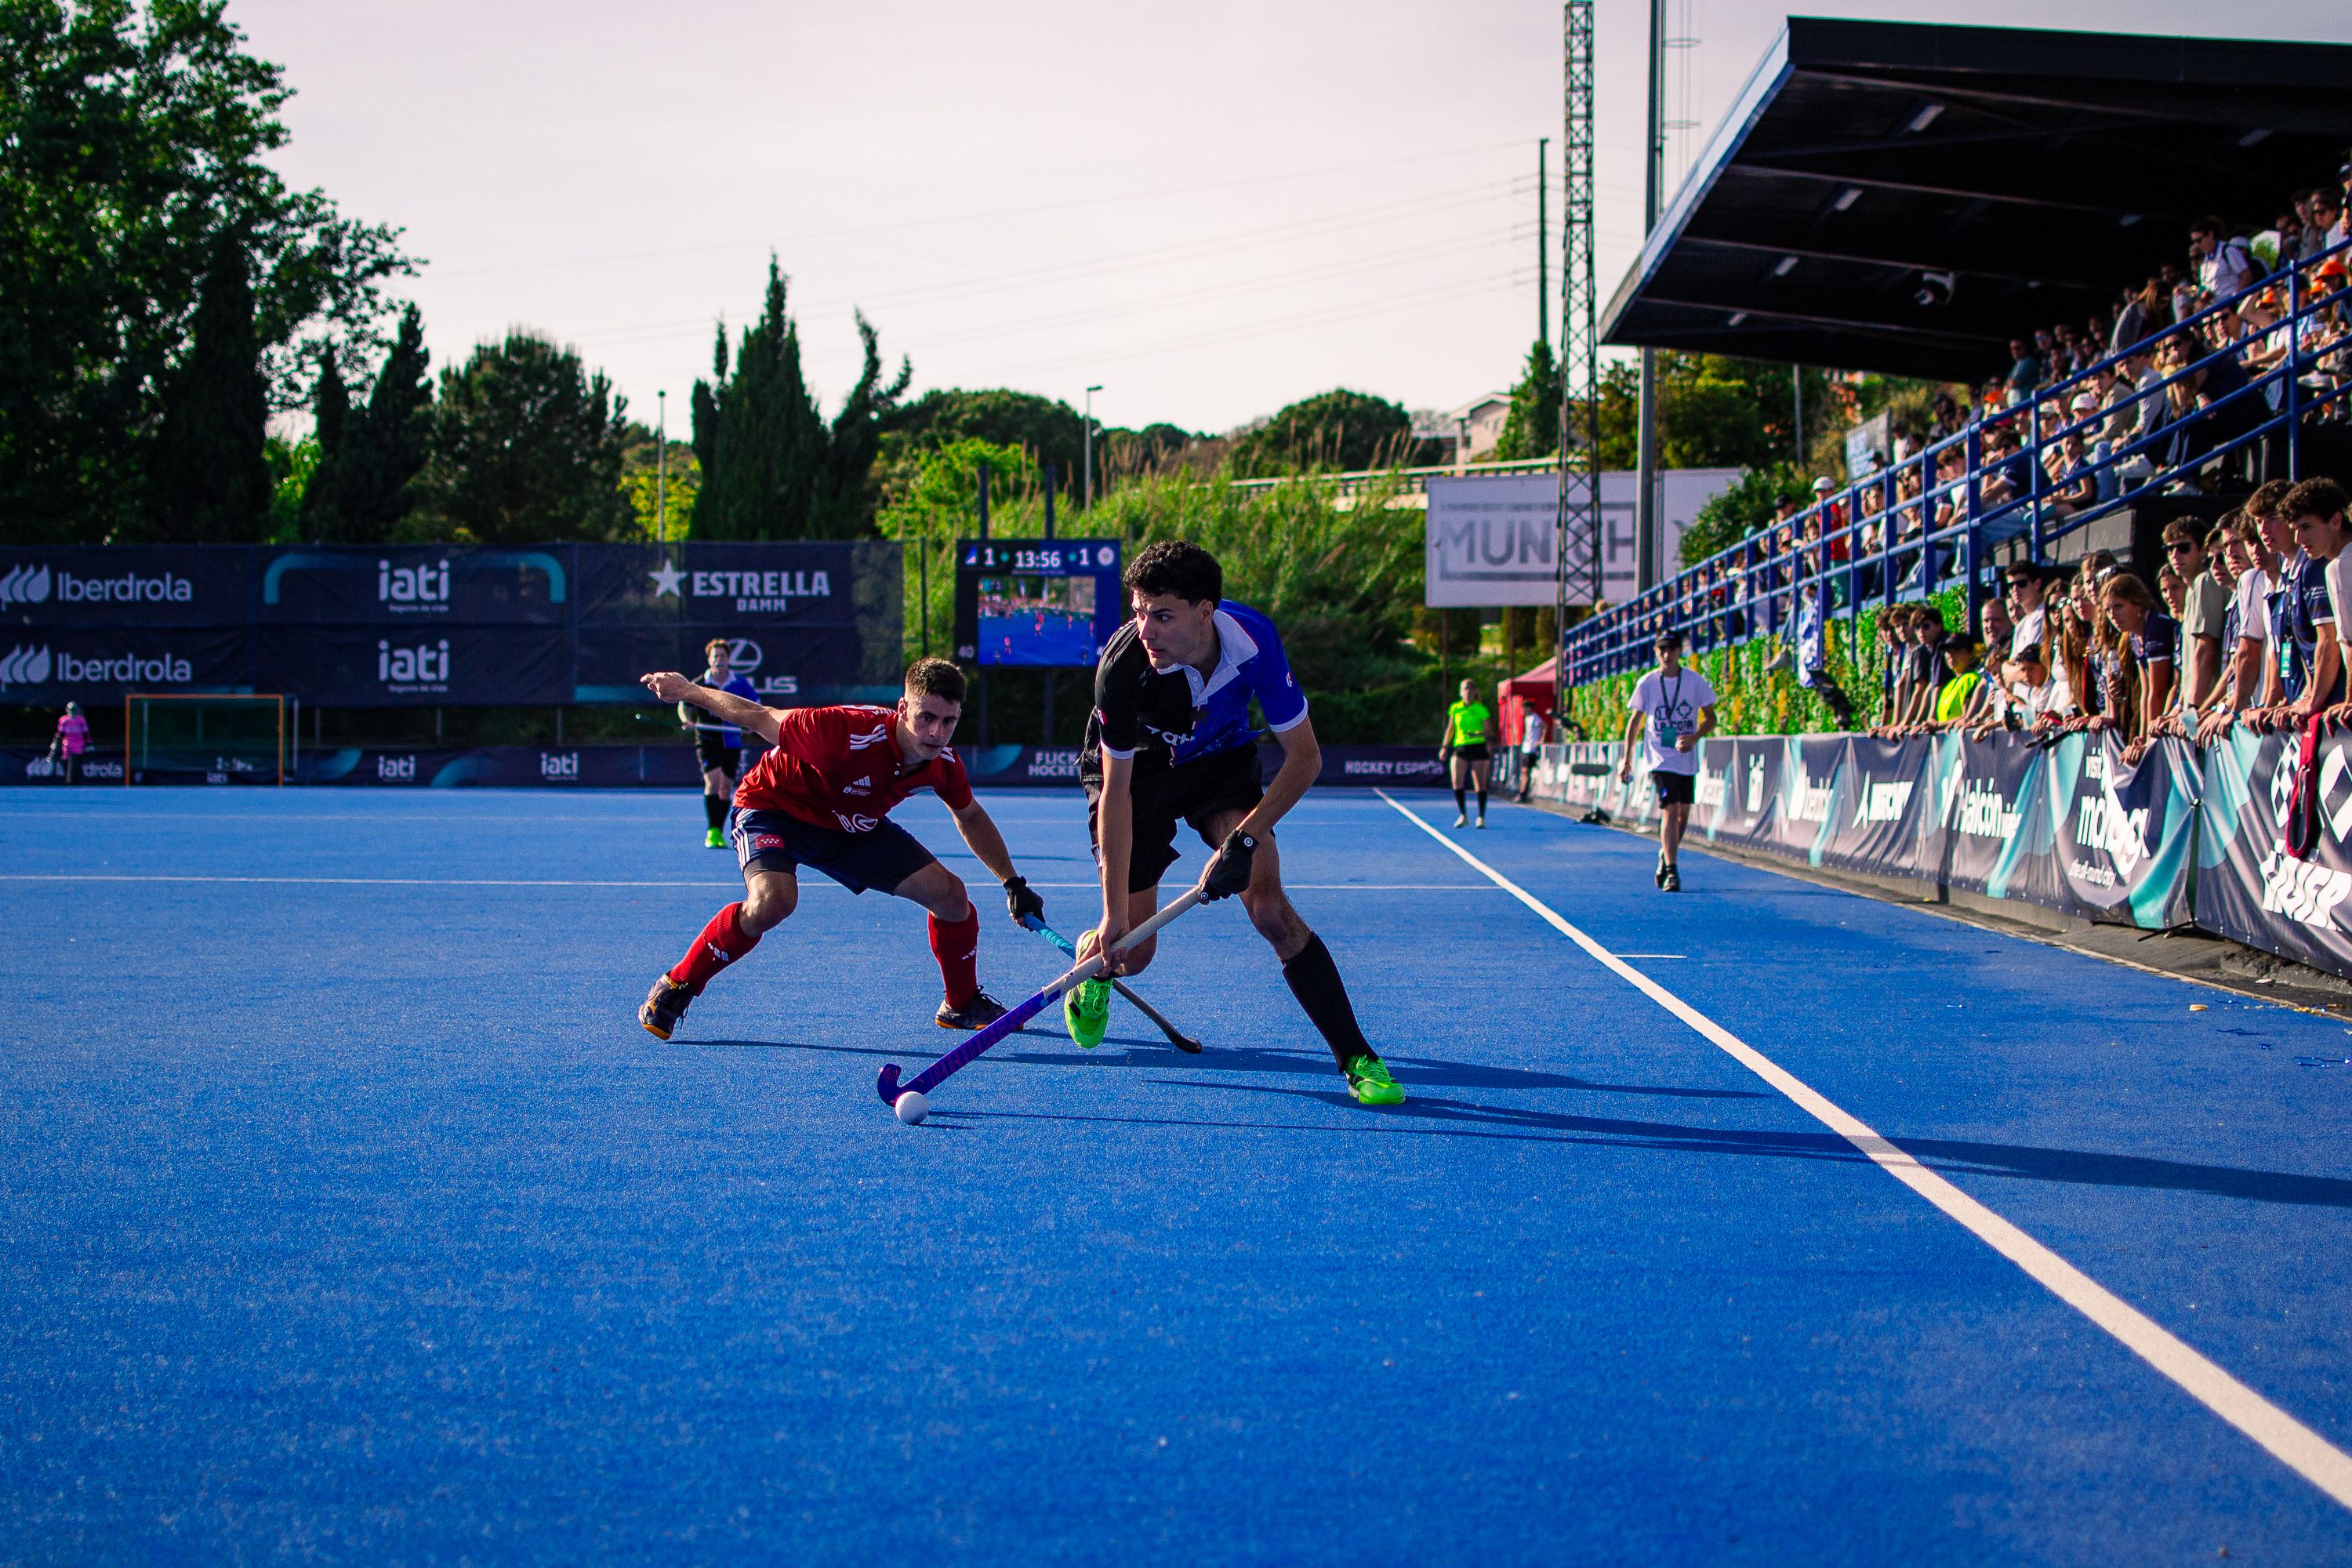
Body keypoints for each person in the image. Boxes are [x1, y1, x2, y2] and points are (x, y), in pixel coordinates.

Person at [1073, 540, 1403, 1107]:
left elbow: (1306, 759)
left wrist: (1244, 840)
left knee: (1271, 908)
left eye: (1162, 615)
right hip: (1142, 777)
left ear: (1206, 611)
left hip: (1219, 764)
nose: (1145, 631)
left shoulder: (1254, 643)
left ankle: (1357, 1058)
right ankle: (1093, 970)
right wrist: (1111, 915)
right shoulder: (1122, 669)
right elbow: (1118, 791)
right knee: (1133, 952)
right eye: (1138, 613)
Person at [634, 657, 1043, 1041]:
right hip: (774, 808)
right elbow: (758, 716)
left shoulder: (944, 763)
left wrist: (1012, 882)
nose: (936, 733)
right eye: (927, 718)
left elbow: (969, 816)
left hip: (851, 827)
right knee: (773, 902)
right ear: (903, 708)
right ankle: (679, 983)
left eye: (949, 721)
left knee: (953, 898)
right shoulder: (840, 731)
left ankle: (961, 1003)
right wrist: (687, 690)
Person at [1618, 630, 1716, 894]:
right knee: (1670, 809)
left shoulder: (1695, 682)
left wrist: (1695, 737)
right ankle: (1672, 871)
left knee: (1684, 814)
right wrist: (1626, 759)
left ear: (1678, 652)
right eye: (1661, 649)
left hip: (1686, 759)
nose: (1665, 654)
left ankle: (1665, 853)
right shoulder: (1648, 683)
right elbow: (1635, 722)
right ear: (1656, 652)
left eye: (1670, 649)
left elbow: (1711, 718)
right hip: (1659, 758)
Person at [685, 638, 758, 849]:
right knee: (713, 782)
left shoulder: (739, 683)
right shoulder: (700, 683)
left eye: (723, 656)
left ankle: (719, 829)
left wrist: (751, 723)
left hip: (732, 739)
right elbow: (685, 707)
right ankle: (712, 830)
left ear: (728, 659)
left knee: (726, 788)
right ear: (709, 659)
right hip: (707, 738)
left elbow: (755, 706)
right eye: (715, 656)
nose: (719, 660)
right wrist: (686, 721)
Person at [1437, 677, 1498, 829]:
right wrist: (1444, 746)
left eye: (1471, 689)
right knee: (1457, 781)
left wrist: (1477, 734)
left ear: (1475, 692)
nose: (1468, 692)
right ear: (1461, 692)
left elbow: (1489, 732)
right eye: (1465, 689)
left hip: (1477, 747)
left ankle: (1481, 817)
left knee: (1480, 784)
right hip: (1460, 748)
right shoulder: (1455, 708)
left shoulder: (1480, 709)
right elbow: (1450, 729)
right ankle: (1463, 815)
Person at [1514, 704, 1547, 803]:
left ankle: (1524, 794)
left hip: (1531, 749)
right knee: (1523, 771)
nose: (1523, 710)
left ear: (1529, 708)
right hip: (1525, 748)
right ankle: (1521, 792)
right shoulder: (1526, 718)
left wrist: (1541, 740)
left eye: (1525, 708)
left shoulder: (1535, 717)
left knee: (1526, 771)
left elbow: (1544, 726)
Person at [50, 702, 89, 785]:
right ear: (67, 710)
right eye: (71, 710)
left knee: (76, 764)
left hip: (78, 746)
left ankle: (74, 781)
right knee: (66, 763)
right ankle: (70, 780)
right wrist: (55, 746)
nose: (72, 712)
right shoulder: (64, 720)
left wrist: (89, 745)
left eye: (74, 710)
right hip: (67, 746)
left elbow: (86, 734)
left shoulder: (81, 720)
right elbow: (60, 734)